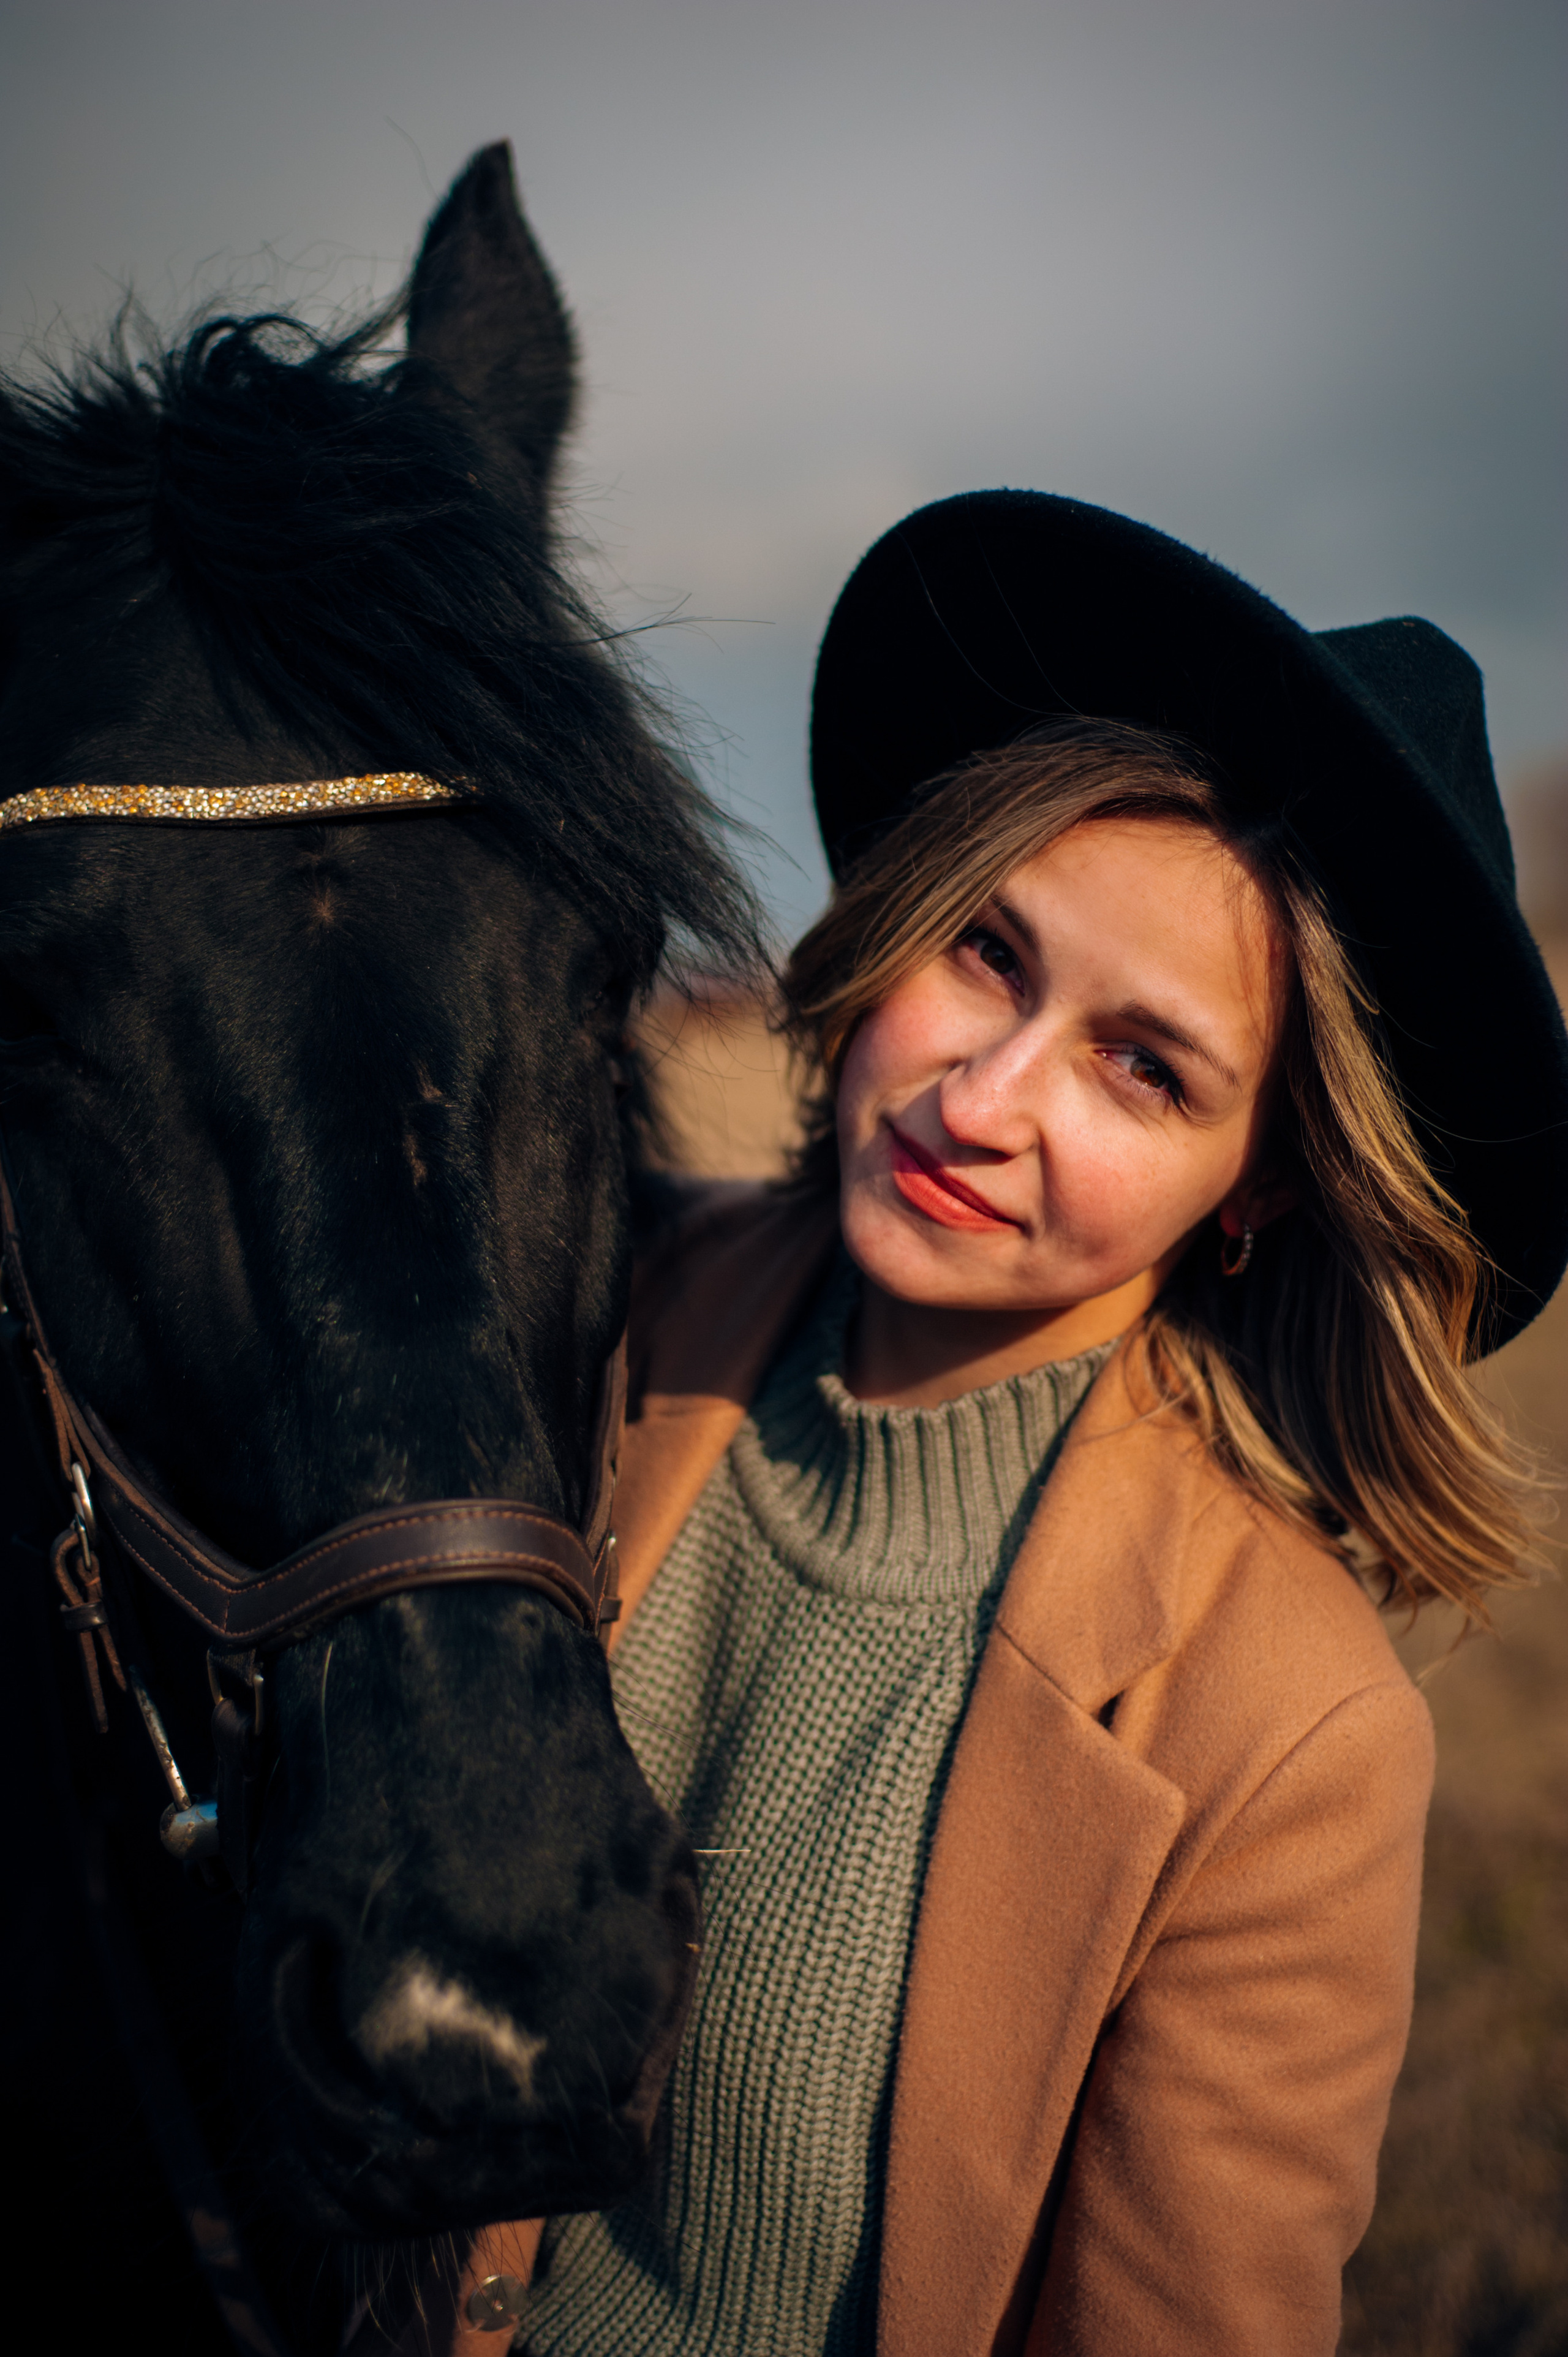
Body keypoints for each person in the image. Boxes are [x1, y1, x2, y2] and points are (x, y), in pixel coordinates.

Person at [454, 493, 1568, 2356]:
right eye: (985, 951)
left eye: (1144, 1066)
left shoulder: (1286, 1732)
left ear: (1260, 1186)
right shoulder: (607, 1300)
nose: (985, 1098)